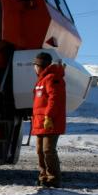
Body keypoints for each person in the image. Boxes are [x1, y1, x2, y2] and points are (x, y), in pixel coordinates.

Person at [32, 52, 66, 188]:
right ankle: (43, 176)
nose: (34, 68)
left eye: (35, 65)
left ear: (40, 65)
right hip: (40, 121)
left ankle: (53, 178)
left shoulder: (52, 78)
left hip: (50, 121)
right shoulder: (41, 80)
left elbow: (54, 99)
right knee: (40, 150)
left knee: (48, 150)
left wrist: (48, 116)